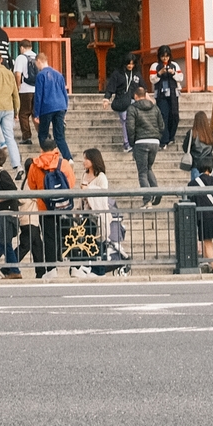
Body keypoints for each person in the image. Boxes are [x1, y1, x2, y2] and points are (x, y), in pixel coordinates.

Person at [25, 136, 72, 278]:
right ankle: (76, 264)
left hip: (45, 207)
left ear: (41, 149)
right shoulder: (63, 164)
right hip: (63, 206)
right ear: (55, 149)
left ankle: (52, 269)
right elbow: (71, 182)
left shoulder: (34, 165)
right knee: (69, 235)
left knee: (48, 237)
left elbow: (31, 185)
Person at [73, 148, 118, 277]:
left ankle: (99, 270)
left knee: (99, 242)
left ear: (93, 160)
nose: (84, 162)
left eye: (86, 159)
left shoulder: (101, 177)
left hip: (98, 215)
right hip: (86, 214)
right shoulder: (84, 174)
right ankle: (90, 267)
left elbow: (102, 196)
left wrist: (88, 189)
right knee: (88, 241)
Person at [125, 80, 164, 203]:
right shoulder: (155, 108)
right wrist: (157, 137)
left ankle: (147, 199)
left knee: (142, 171)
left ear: (135, 96)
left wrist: (132, 142)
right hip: (154, 141)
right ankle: (156, 192)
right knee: (149, 168)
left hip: (141, 142)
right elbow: (161, 126)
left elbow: (130, 127)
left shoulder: (132, 108)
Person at [32, 50, 72, 160]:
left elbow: (38, 95)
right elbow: (64, 93)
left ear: (39, 61)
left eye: (36, 63)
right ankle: (68, 158)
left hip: (47, 107)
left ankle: (46, 157)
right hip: (60, 106)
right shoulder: (58, 75)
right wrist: (65, 108)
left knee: (43, 134)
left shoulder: (41, 75)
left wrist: (36, 113)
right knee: (59, 136)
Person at [189, 152, 213, 272]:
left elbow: (190, 199)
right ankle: (208, 263)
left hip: (201, 215)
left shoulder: (193, 183)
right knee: (208, 241)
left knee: (207, 241)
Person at [150, 45, 180, 147]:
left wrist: (173, 73)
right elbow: (152, 79)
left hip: (173, 93)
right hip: (161, 94)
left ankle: (172, 136)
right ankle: (164, 139)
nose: (165, 58)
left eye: (167, 56)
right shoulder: (155, 66)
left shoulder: (174, 65)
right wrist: (159, 73)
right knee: (163, 116)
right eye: (163, 56)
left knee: (174, 115)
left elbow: (180, 77)